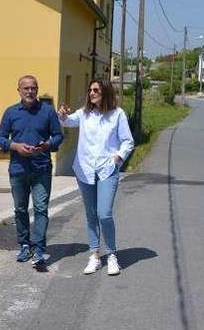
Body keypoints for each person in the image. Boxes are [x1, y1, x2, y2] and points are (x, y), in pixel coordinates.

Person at [57, 78, 134, 276]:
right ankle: (94, 255)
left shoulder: (117, 114)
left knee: (104, 213)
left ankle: (112, 255)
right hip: (84, 170)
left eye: (96, 90)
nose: (91, 93)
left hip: (107, 169)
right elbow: (67, 121)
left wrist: (118, 157)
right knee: (91, 214)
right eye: (90, 90)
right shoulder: (84, 114)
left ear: (105, 92)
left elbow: (128, 141)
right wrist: (62, 115)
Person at [0, 75, 63, 267]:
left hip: (41, 169)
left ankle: (40, 249)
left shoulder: (48, 112)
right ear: (19, 90)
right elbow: (0, 138)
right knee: (20, 209)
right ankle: (25, 245)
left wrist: (47, 144)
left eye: (33, 88)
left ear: (37, 89)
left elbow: (58, 136)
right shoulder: (10, 112)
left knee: (41, 209)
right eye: (26, 88)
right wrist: (15, 146)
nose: (30, 91)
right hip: (18, 169)